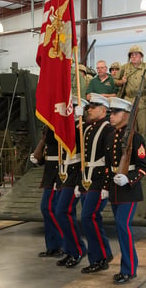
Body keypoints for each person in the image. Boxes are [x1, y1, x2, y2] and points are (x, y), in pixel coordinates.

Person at [103, 97, 146, 284]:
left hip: (129, 190)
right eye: (110, 113)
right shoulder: (110, 136)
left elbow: (143, 167)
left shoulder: (136, 138)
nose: (111, 116)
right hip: (114, 189)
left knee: (123, 226)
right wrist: (106, 187)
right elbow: (107, 166)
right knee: (121, 228)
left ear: (127, 115)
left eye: (115, 113)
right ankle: (128, 268)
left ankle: (128, 269)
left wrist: (128, 179)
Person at [78, 93, 114, 274]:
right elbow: (83, 158)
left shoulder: (108, 129)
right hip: (87, 180)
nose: (89, 110)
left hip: (99, 181)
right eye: (89, 107)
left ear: (104, 110)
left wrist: (106, 185)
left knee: (87, 217)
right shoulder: (88, 128)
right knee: (93, 219)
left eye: (93, 107)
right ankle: (105, 253)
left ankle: (98, 259)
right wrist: (79, 183)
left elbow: (110, 160)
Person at [56, 97, 88, 268]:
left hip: (75, 174)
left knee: (63, 212)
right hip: (64, 175)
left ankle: (77, 250)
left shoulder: (82, 128)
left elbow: (85, 154)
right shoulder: (65, 127)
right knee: (60, 213)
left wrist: (78, 182)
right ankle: (70, 250)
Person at [115, 45, 146, 147]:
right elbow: (114, 81)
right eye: (132, 55)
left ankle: (143, 158)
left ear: (141, 56)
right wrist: (122, 81)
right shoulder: (124, 68)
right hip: (128, 103)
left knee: (143, 132)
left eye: (136, 54)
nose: (134, 56)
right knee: (129, 131)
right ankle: (131, 157)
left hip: (144, 102)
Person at [30, 126, 64, 258]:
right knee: (47, 209)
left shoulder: (61, 124)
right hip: (50, 173)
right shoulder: (49, 125)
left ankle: (61, 244)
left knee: (52, 209)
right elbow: (48, 149)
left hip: (59, 173)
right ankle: (52, 246)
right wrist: (40, 158)